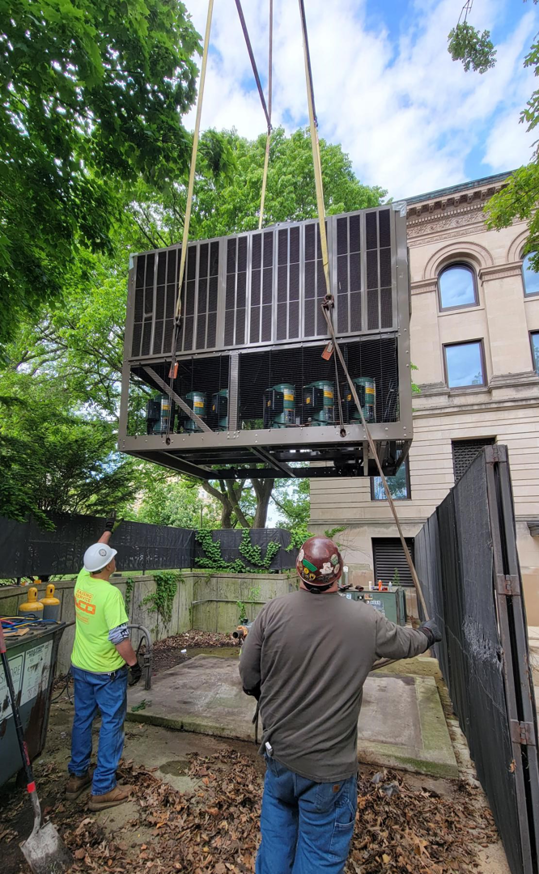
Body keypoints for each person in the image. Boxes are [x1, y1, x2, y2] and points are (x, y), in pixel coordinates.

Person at [239, 535, 442, 874]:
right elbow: (406, 643)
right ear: (339, 572)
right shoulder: (365, 620)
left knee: (276, 838)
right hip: (328, 771)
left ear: (299, 571)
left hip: (280, 757)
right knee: (319, 856)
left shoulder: (273, 611)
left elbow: (248, 675)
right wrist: (429, 634)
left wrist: (264, 693)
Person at [65, 520, 142, 811]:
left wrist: (108, 530)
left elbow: (95, 553)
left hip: (81, 666)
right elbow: (119, 638)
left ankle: (77, 776)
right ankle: (103, 788)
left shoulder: (82, 580)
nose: (113, 559)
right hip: (107, 672)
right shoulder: (110, 595)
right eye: (111, 557)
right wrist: (134, 664)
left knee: (82, 719)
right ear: (108, 565)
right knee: (111, 723)